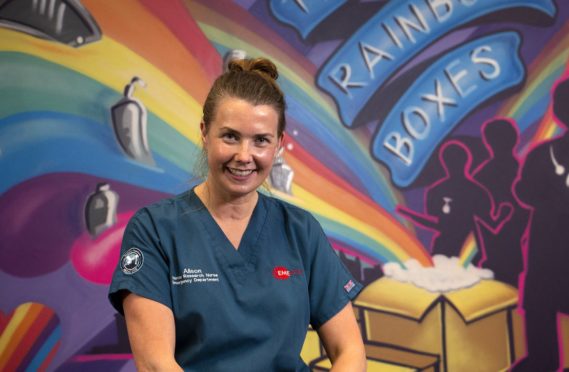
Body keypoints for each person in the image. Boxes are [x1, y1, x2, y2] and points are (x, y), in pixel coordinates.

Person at [108, 57, 366, 371]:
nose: (244, 156)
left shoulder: (301, 231)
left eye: (261, 140)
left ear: (279, 145)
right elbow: (155, 363)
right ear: (205, 132)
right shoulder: (155, 230)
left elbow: (349, 349)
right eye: (230, 136)